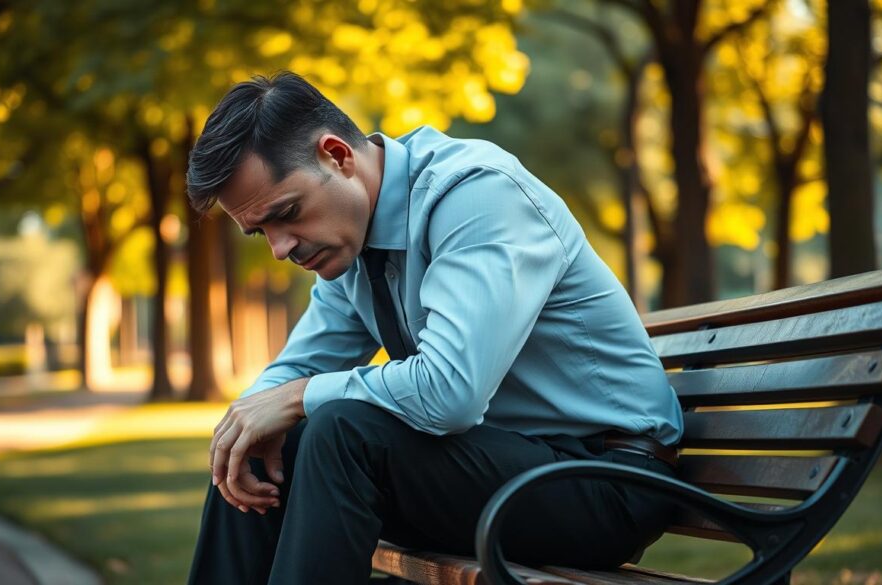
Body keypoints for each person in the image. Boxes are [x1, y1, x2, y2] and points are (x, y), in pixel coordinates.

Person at [185, 71, 684, 585]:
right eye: (260, 232)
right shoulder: (347, 243)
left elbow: (450, 393)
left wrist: (295, 398)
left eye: (286, 214)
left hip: (607, 482)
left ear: (336, 155)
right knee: (263, 446)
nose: (280, 248)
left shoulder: (476, 195)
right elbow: (303, 365)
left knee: (341, 430)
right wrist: (245, 423)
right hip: (505, 470)